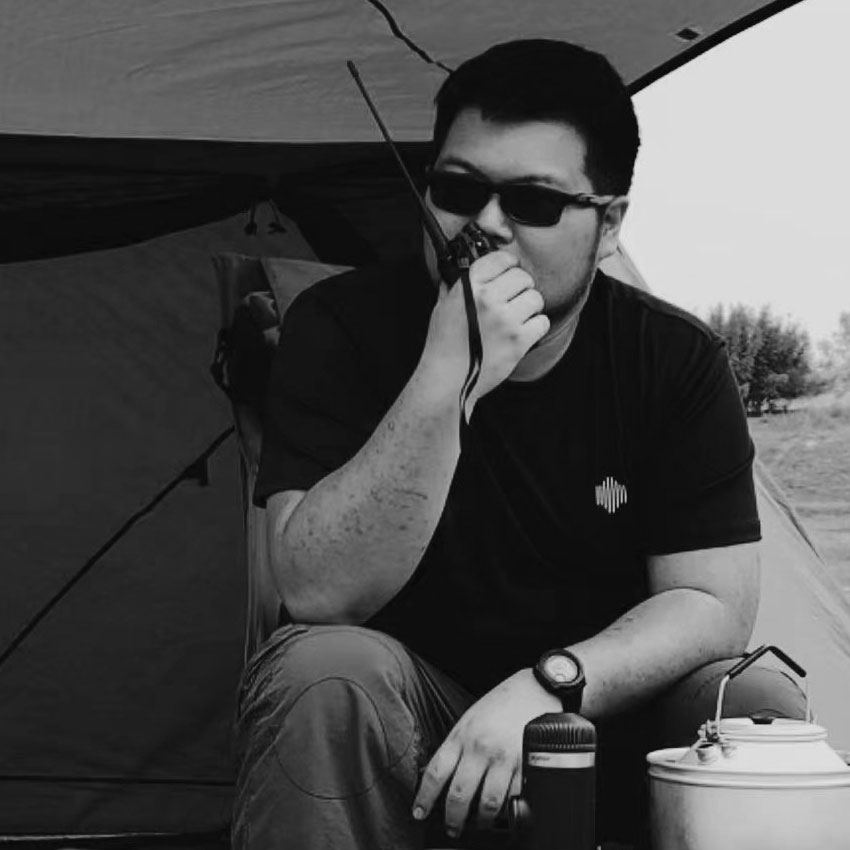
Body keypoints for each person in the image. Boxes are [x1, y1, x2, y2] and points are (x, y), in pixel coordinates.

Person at [232, 39, 805, 850]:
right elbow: (316, 593)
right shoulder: (339, 328)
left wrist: (551, 687)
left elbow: (712, 605)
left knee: (754, 706)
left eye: (533, 202)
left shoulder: (672, 359)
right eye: (458, 190)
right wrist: (445, 376)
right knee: (319, 671)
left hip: (601, 714)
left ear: (609, 226)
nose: (486, 226)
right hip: (412, 720)